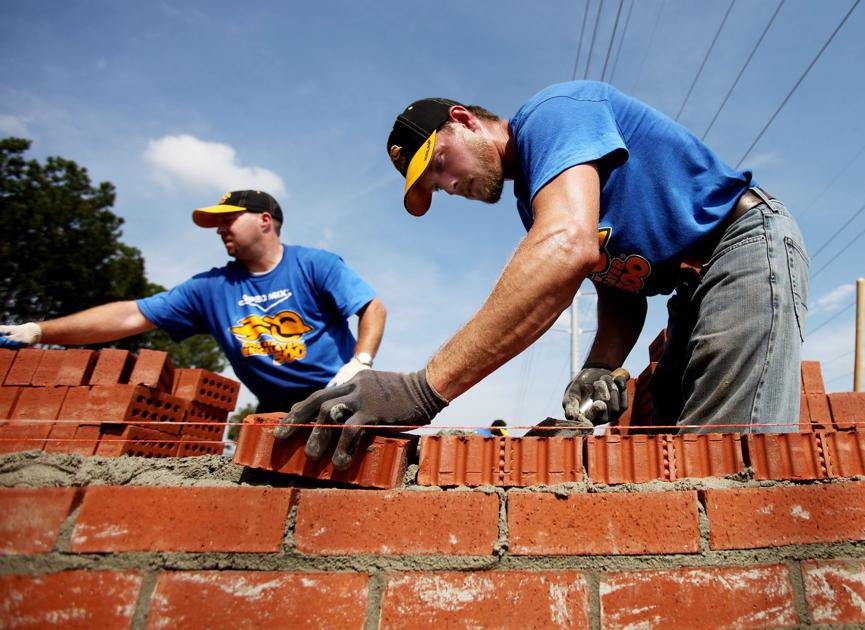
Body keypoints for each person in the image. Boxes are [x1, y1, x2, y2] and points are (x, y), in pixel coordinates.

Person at [275, 81, 809, 469]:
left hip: (742, 246)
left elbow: (567, 247)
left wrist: (422, 389)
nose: (447, 185)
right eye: (433, 186)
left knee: (726, 463)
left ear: (463, 119)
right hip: (690, 291)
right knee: (665, 460)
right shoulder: (538, 202)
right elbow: (620, 289)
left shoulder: (551, 115)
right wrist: (599, 368)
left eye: (439, 164)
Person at [0, 190, 387, 412]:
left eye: (229, 218)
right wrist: (37, 330)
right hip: (272, 408)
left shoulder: (314, 264)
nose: (220, 229)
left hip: (338, 396)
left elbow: (372, 307)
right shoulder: (210, 288)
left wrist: (359, 363)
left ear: (265, 221)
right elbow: (130, 316)